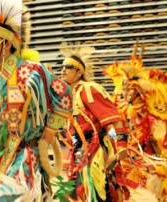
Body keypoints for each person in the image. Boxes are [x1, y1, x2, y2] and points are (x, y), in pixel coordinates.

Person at [0, 1, 72, 201]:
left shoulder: (32, 72)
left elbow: (65, 95)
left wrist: (51, 131)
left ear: (7, 44)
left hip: (26, 155)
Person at [58, 42, 129, 201]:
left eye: (68, 66)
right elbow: (73, 132)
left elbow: (114, 120)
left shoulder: (88, 89)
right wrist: (75, 146)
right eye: (62, 66)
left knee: (91, 191)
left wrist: (120, 146)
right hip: (81, 150)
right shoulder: (69, 97)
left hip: (94, 148)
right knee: (79, 193)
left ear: (78, 72)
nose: (63, 70)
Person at [104, 42, 167, 201]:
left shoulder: (146, 107)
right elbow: (110, 126)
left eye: (131, 88)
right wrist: (114, 140)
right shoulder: (116, 102)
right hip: (122, 151)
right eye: (125, 87)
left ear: (138, 89)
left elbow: (153, 131)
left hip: (144, 153)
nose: (127, 91)